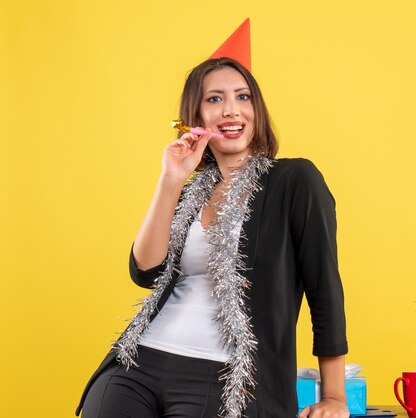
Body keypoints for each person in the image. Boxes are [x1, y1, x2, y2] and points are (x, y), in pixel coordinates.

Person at [75, 55, 349, 418]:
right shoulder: (191, 192)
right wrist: (171, 180)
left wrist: (334, 397)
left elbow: (324, 287)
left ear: (257, 109)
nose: (231, 111)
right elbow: (145, 271)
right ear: (197, 117)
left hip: (225, 379)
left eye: (243, 97)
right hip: (138, 364)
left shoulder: (295, 180)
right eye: (215, 99)